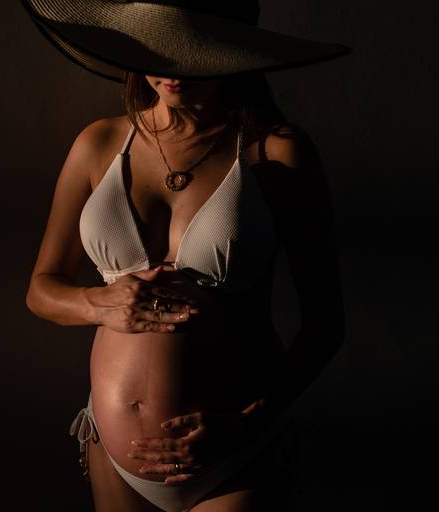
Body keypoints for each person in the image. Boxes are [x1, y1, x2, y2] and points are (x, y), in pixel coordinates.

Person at [21, 1, 350, 510]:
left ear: (229, 54)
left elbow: (326, 324)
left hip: (233, 453)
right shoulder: (99, 143)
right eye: (159, 48)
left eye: (193, 52)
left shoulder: (276, 151)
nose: (173, 69)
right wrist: (100, 304)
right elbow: (41, 290)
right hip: (115, 458)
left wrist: (248, 423)